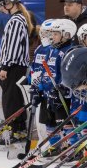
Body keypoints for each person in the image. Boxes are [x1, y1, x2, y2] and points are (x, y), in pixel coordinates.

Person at [0, 0, 33, 147]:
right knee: (13, 99)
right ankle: (17, 130)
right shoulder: (19, 19)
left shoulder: (16, 21)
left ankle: (17, 131)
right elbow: (11, 46)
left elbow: (14, 47)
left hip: (14, 68)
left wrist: (6, 66)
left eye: (1, 5)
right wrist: (2, 58)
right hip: (15, 66)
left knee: (11, 101)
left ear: (8, 3)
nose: (1, 9)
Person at [30, 18, 75, 154]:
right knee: (50, 121)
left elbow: (69, 75)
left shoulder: (69, 51)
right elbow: (45, 73)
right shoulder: (51, 50)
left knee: (64, 122)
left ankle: (71, 147)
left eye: (55, 34)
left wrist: (63, 89)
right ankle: (55, 147)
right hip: (50, 94)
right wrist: (39, 88)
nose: (52, 37)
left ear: (66, 34)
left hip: (62, 95)